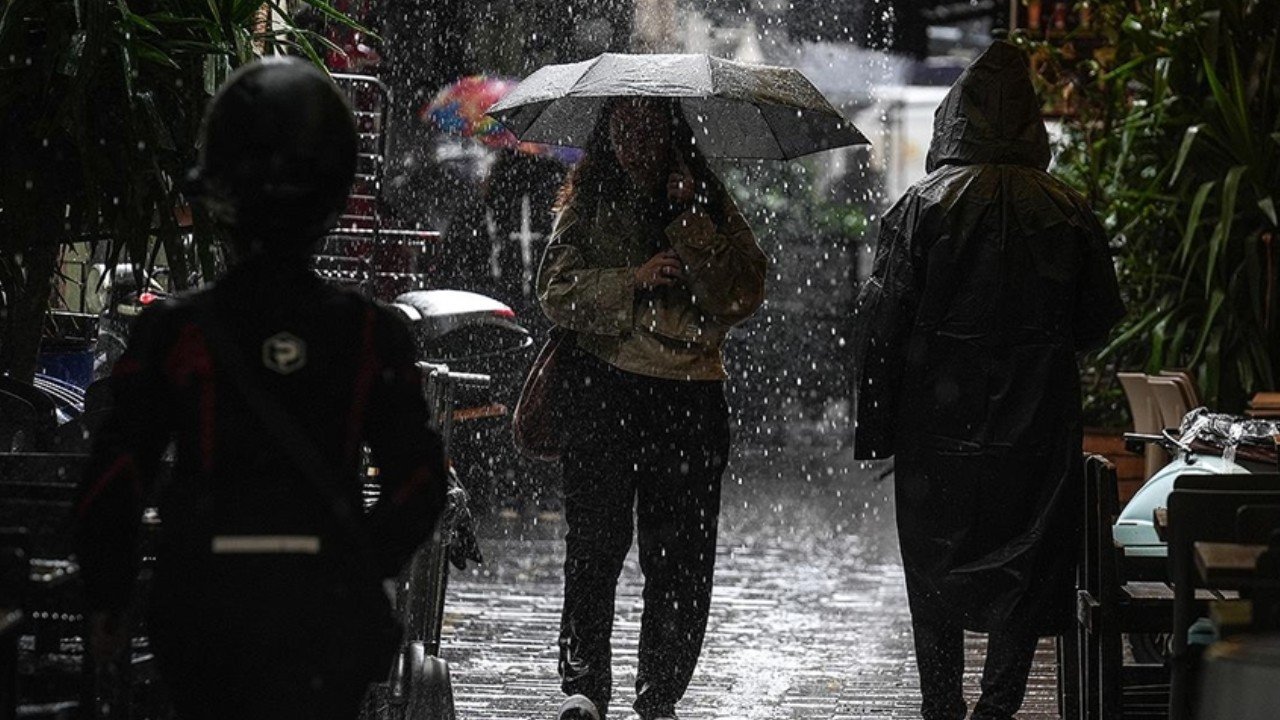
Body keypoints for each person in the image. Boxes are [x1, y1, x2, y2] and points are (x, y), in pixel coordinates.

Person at [74, 57, 447, 720]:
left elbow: (116, 476)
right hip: (325, 628)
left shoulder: (175, 332)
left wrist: (108, 597)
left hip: (202, 616)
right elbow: (419, 485)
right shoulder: (370, 336)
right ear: (335, 196)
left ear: (219, 197)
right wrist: (354, 567)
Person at [853, 41, 1125, 720]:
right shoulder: (1067, 210)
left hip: (936, 432)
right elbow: (1098, 319)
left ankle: (941, 705)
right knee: (1024, 569)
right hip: (1036, 429)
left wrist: (879, 429)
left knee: (936, 573)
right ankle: (997, 706)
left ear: (954, 119)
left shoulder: (919, 209)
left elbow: (880, 326)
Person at [536, 97, 767, 720]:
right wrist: (631, 278)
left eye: (647, 128)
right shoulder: (587, 203)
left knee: (680, 558)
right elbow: (554, 290)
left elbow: (741, 294)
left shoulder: (708, 202)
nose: (633, 143)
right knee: (594, 546)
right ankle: (585, 685)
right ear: (606, 133)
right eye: (621, 128)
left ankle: (658, 692)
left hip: (687, 397)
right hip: (603, 389)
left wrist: (690, 221)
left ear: (672, 134)